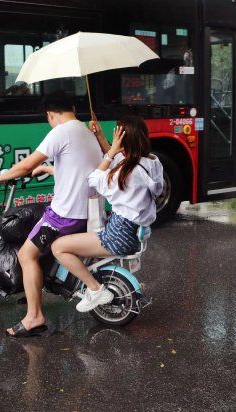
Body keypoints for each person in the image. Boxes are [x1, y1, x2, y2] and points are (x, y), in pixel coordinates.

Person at [0, 91, 102, 337]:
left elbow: (25, 165)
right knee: (36, 232)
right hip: (86, 211)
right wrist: (48, 168)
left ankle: (34, 317)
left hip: (64, 214)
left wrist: (0, 176)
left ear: (50, 114)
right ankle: (36, 287)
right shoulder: (87, 132)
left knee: (26, 254)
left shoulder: (61, 131)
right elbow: (77, 169)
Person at [50, 116, 163, 312]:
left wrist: (110, 152)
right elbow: (120, 159)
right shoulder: (152, 163)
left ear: (122, 140)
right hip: (134, 232)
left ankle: (95, 289)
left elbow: (92, 179)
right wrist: (102, 137)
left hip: (118, 236)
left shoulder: (124, 174)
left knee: (58, 247)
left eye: (116, 135)